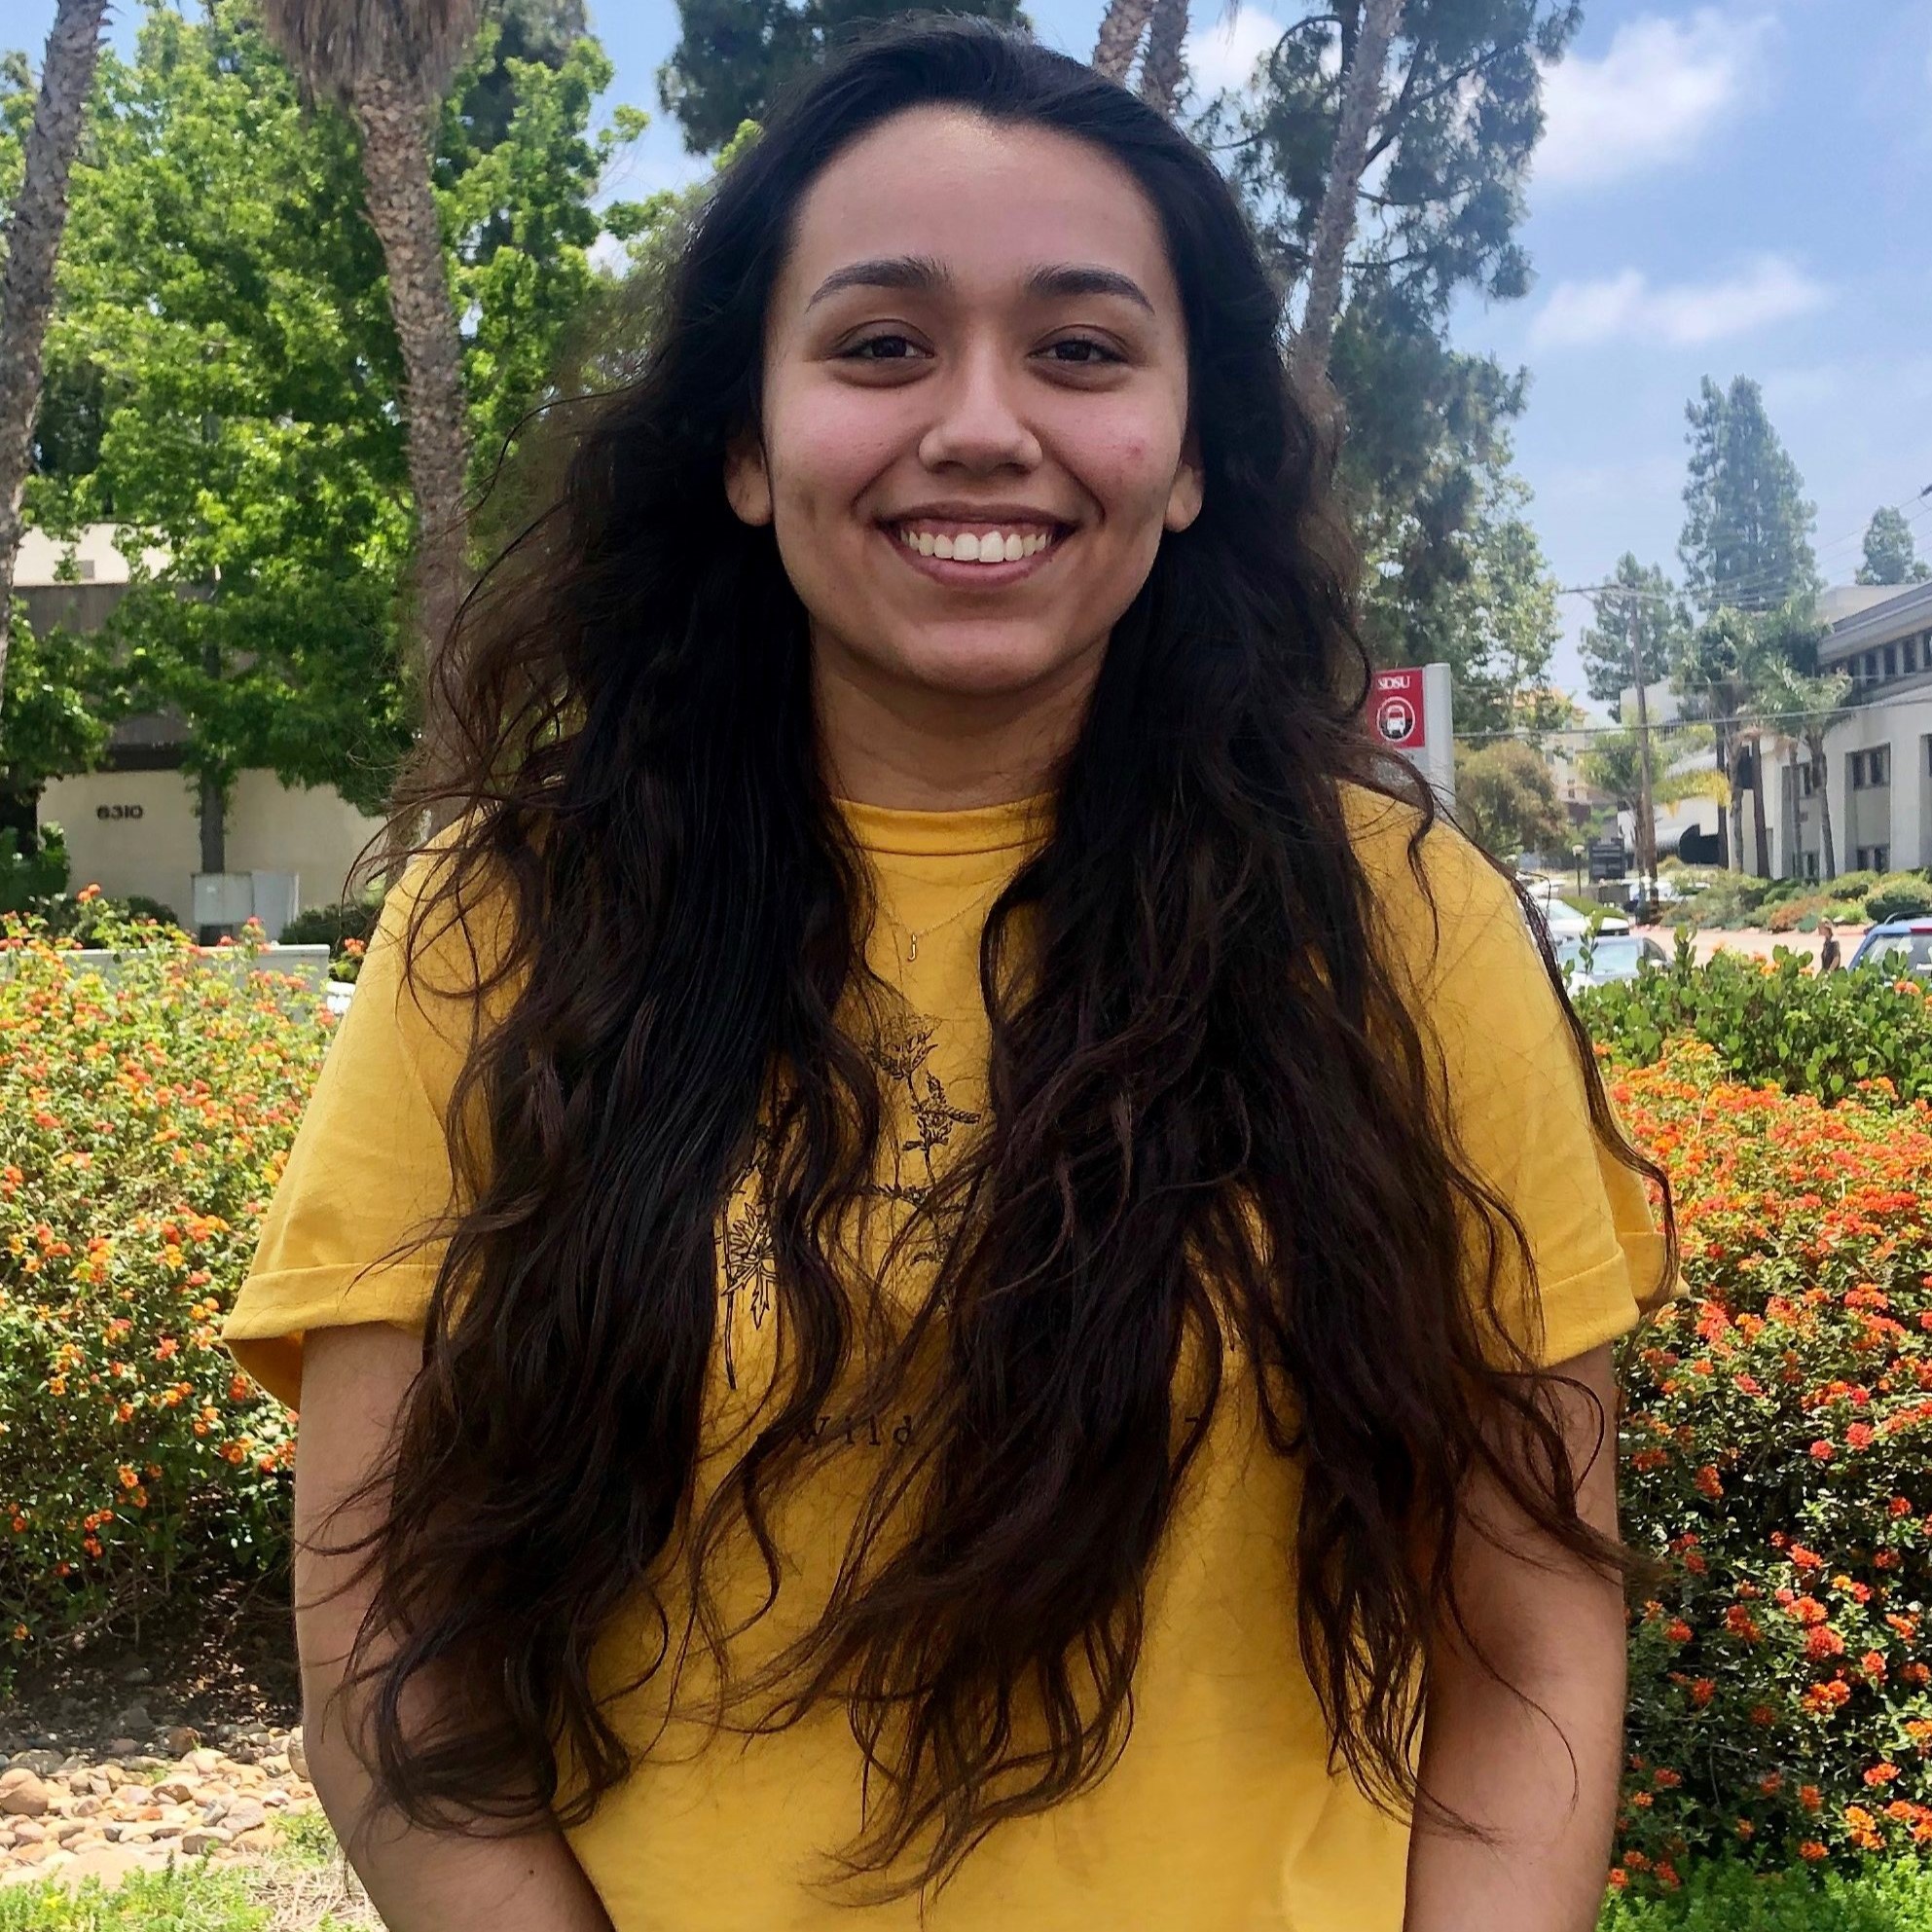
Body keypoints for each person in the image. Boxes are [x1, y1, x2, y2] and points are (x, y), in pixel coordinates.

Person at [224, 25, 1672, 1932]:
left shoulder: (1403, 926)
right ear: (746, 445)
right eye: (882, 344)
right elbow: (388, 1626)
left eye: (1081, 350)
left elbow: (1532, 1627)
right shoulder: (507, 923)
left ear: (1187, 461)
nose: (983, 423)